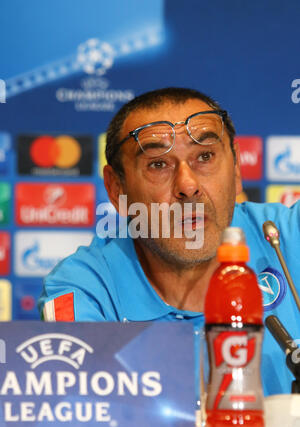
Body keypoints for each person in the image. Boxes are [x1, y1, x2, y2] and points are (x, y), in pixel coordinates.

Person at [38, 87, 300, 396]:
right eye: (158, 164)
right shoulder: (87, 288)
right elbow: (81, 421)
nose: (188, 185)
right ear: (116, 188)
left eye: (204, 156)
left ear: (238, 168)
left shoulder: (286, 237)